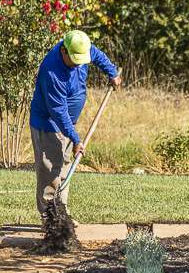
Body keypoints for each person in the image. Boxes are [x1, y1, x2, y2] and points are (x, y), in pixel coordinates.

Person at [30, 29, 121, 221]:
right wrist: (76, 138)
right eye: (75, 60)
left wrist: (112, 72)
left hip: (68, 125)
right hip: (49, 125)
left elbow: (97, 55)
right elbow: (58, 112)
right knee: (50, 173)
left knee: (64, 169)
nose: (78, 65)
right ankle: (50, 221)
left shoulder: (81, 50)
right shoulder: (52, 70)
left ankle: (61, 214)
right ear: (64, 51)